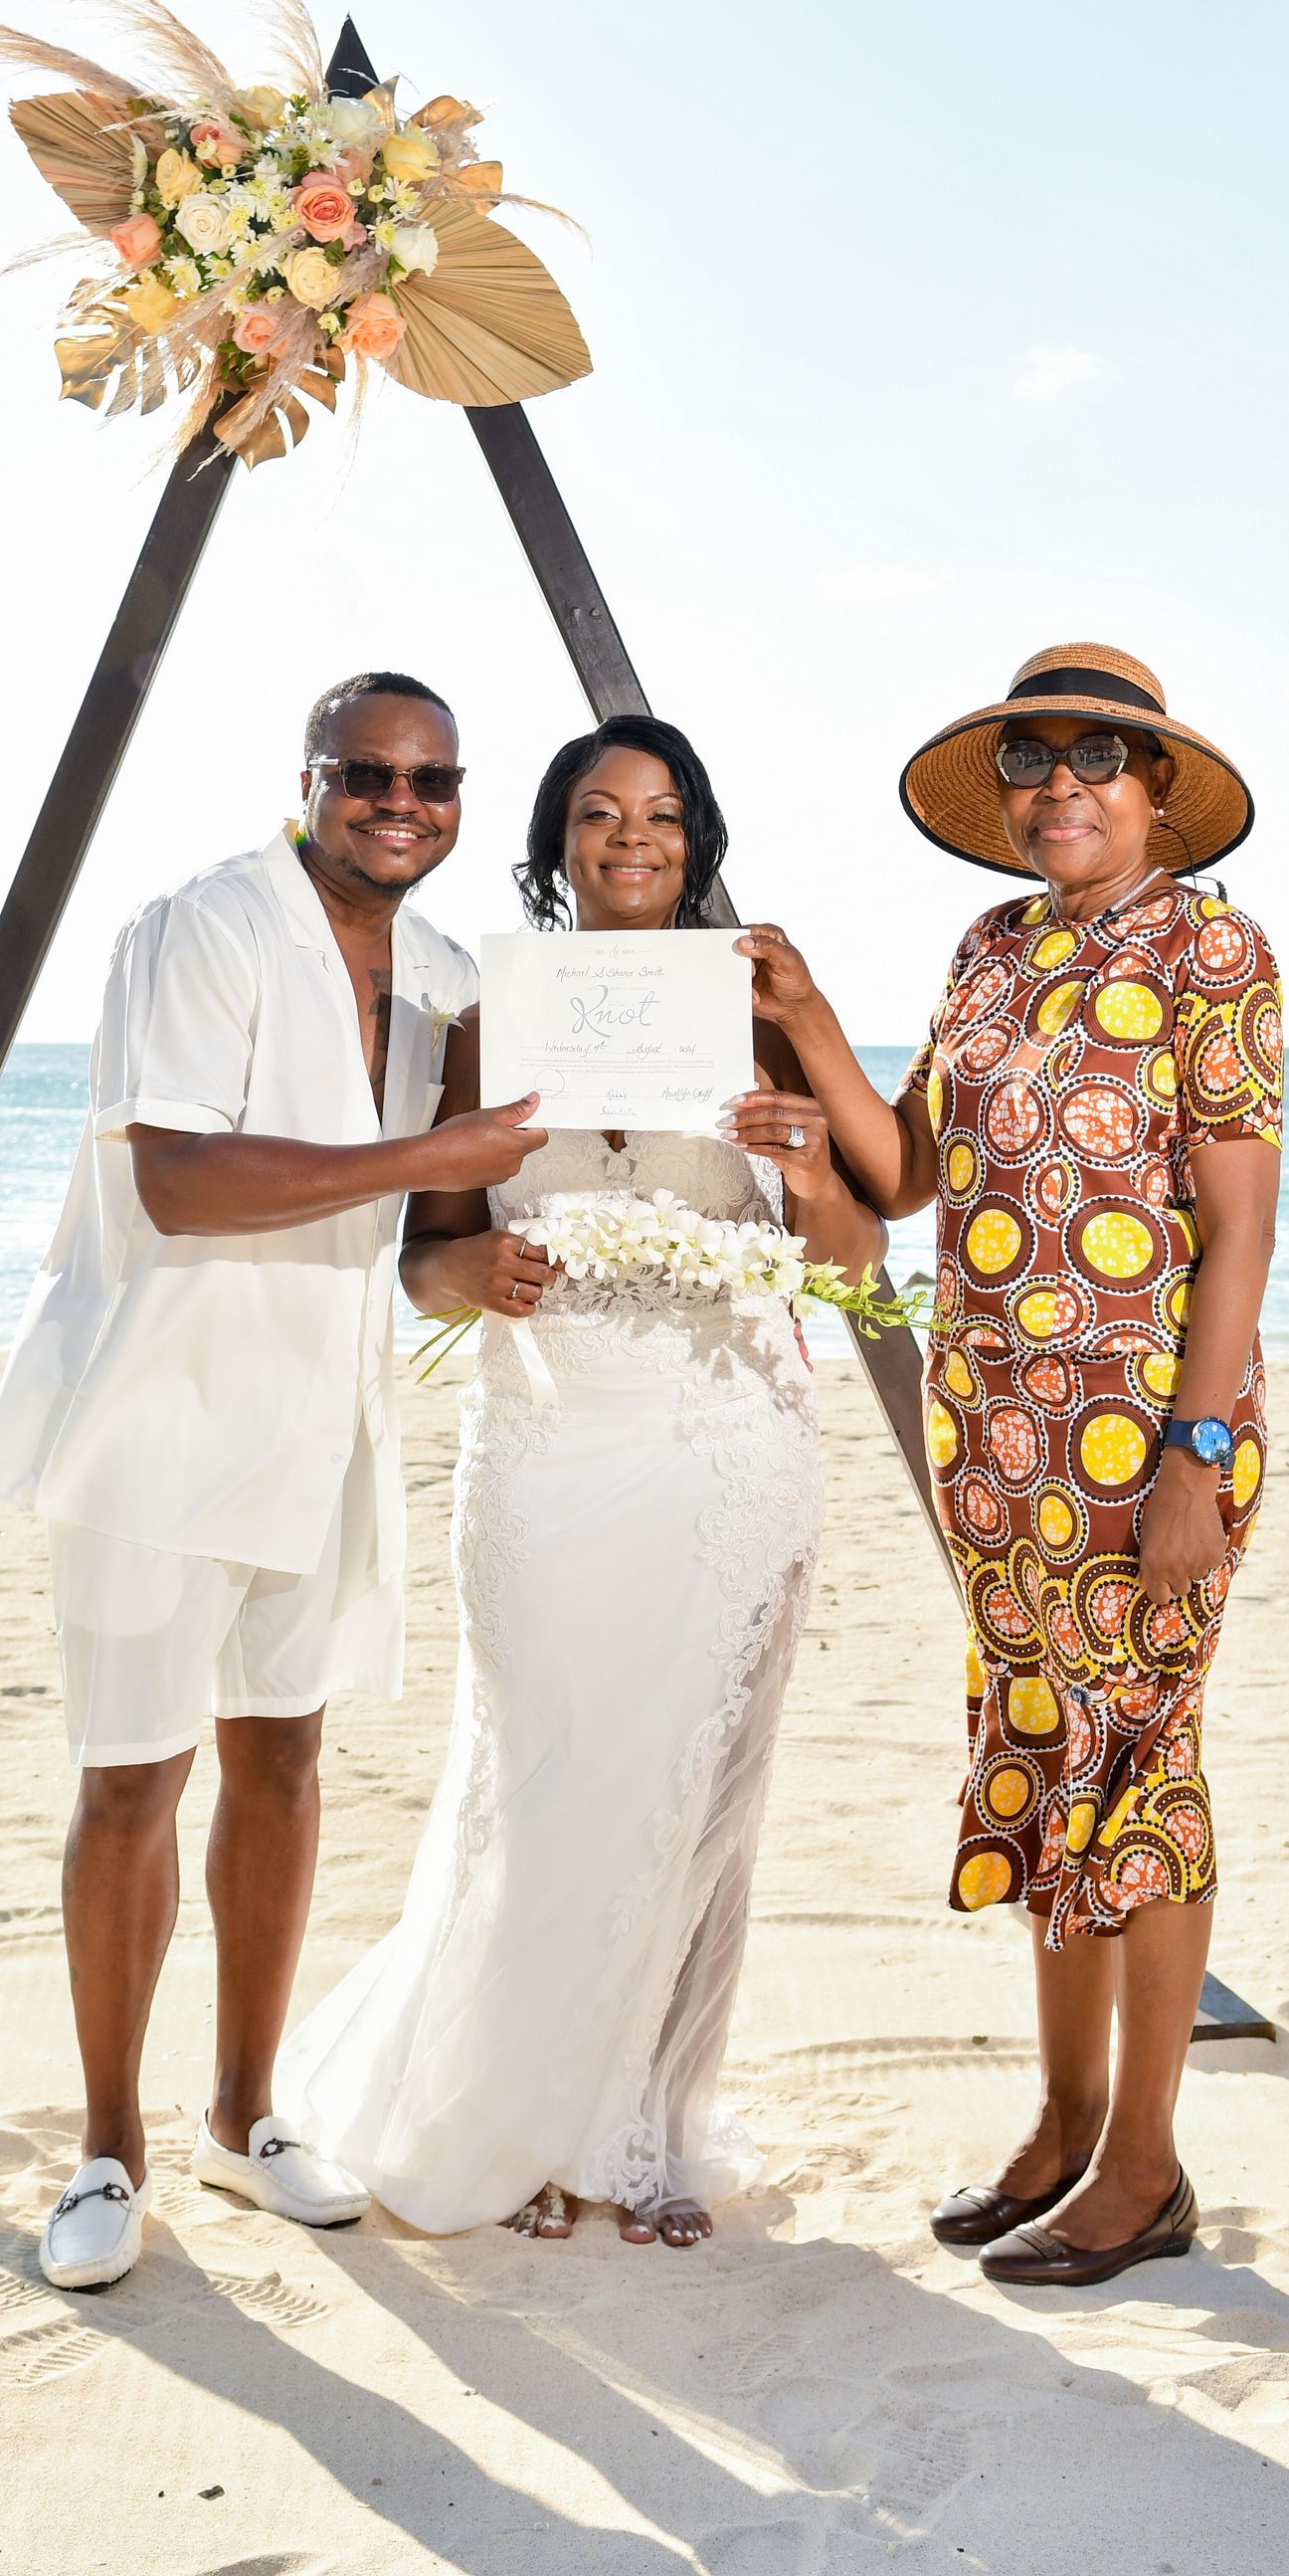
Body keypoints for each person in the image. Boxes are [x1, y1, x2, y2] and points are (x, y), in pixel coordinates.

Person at [276, 714, 886, 2248]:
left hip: (724, 1443)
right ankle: (529, 2124)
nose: (634, 839)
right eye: (600, 813)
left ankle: (652, 2127)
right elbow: (424, 1259)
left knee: (690, 1800)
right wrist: (471, 1264)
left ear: (699, 837)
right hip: (549, 1446)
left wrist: (806, 1164)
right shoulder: (490, 1020)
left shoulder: (758, 1008)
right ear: (550, 842)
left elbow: (861, 1250)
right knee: (544, 1780)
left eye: (664, 814)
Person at [0, 673, 547, 2291]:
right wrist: (423, 1167)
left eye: (435, 778)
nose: (401, 800)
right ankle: (108, 2149)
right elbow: (177, 1179)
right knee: (131, 1781)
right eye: (368, 771)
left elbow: (425, 1253)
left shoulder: (445, 974)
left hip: (325, 1418)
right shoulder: (202, 926)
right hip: (160, 1410)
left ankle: (242, 2117)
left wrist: (487, 1267)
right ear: (311, 780)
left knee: (284, 1762)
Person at [740, 643, 1281, 2288]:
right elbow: (902, 1175)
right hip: (991, 1436)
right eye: (1035, 757)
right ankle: (1060, 2128)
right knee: (1047, 1756)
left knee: (1144, 1766)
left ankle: (1146, 2167)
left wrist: (1195, 1450)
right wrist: (811, 1028)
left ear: (1157, 788)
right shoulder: (986, 952)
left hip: (1143, 1444)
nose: (1062, 783)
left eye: (1099, 757)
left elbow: (1241, 1226)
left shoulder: (1210, 946)